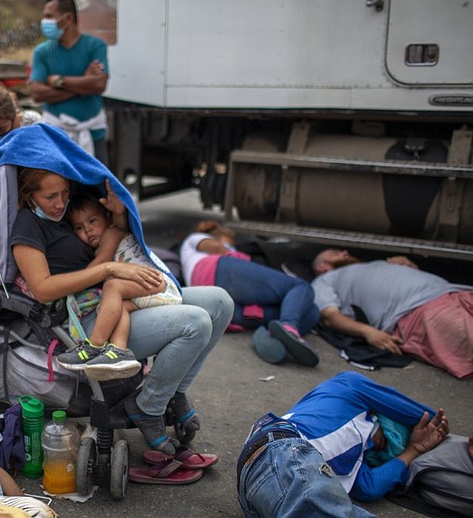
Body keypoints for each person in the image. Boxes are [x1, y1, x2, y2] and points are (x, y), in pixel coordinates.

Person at [10, 166, 232, 455]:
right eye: (51, 196)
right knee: (196, 323)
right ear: (29, 195)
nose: (60, 203)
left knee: (220, 302)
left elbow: (109, 232)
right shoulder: (28, 224)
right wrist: (110, 267)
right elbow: (42, 288)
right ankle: (147, 407)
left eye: (65, 193)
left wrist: (117, 217)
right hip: (94, 315)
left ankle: (173, 393)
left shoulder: (67, 209)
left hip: (119, 292)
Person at [237, 372, 451, 517]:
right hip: (281, 452)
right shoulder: (348, 387)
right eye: (388, 440)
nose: (382, 448)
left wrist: (414, 450)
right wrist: (438, 423)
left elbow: (369, 488)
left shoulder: (354, 455)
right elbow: (423, 415)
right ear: (381, 417)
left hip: (263, 487)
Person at [57, 191, 182, 381]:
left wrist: (76, 281)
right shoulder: (108, 235)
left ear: (107, 218)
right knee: (117, 305)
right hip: (154, 291)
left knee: (113, 287)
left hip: (158, 284)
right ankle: (118, 352)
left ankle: (95, 345)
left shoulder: (111, 233)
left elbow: (101, 265)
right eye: (79, 227)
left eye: (92, 221)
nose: (88, 230)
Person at [311, 248, 473, 379]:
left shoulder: (374, 264)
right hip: (419, 310)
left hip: (455, 292)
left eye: (343, 251)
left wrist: (406, 265)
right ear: (321, 267)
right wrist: (369, 332)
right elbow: (330, 317)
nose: (345, 253)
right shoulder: (324, 281)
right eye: (334, 254)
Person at [180, 221, 321, 367]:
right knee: (301, 287)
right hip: (217, 271)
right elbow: (215, 247)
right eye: (229, 243)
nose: (232, 247)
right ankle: (288, 327)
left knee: (312, 312)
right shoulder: (195, 238)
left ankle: (274, 335)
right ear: (217, 235)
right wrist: (231, 252)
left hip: (220, 305)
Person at [29, 0, 110, 164]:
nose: (45, 22)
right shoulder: (42, 52)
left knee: (100, 189)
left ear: (68, 18)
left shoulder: (95, 46)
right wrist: (83, 84)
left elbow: (99, 84)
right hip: (56, 136)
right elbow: (37, 93)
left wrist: (58, 81)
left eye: (49, 16)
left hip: (93, 134)